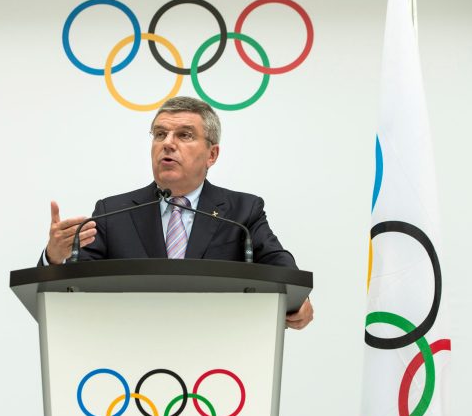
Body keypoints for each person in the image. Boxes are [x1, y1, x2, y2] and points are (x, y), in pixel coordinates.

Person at [40, 96, 314, 330]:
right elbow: (73, 290)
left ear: (212, 155)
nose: (168, 143)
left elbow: (279, 264)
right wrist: (54, 257)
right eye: (160, 134)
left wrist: (297, 298)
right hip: (129, 359)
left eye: (184, 135)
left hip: (218, 360)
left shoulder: (242, 212)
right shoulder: (111, 213)